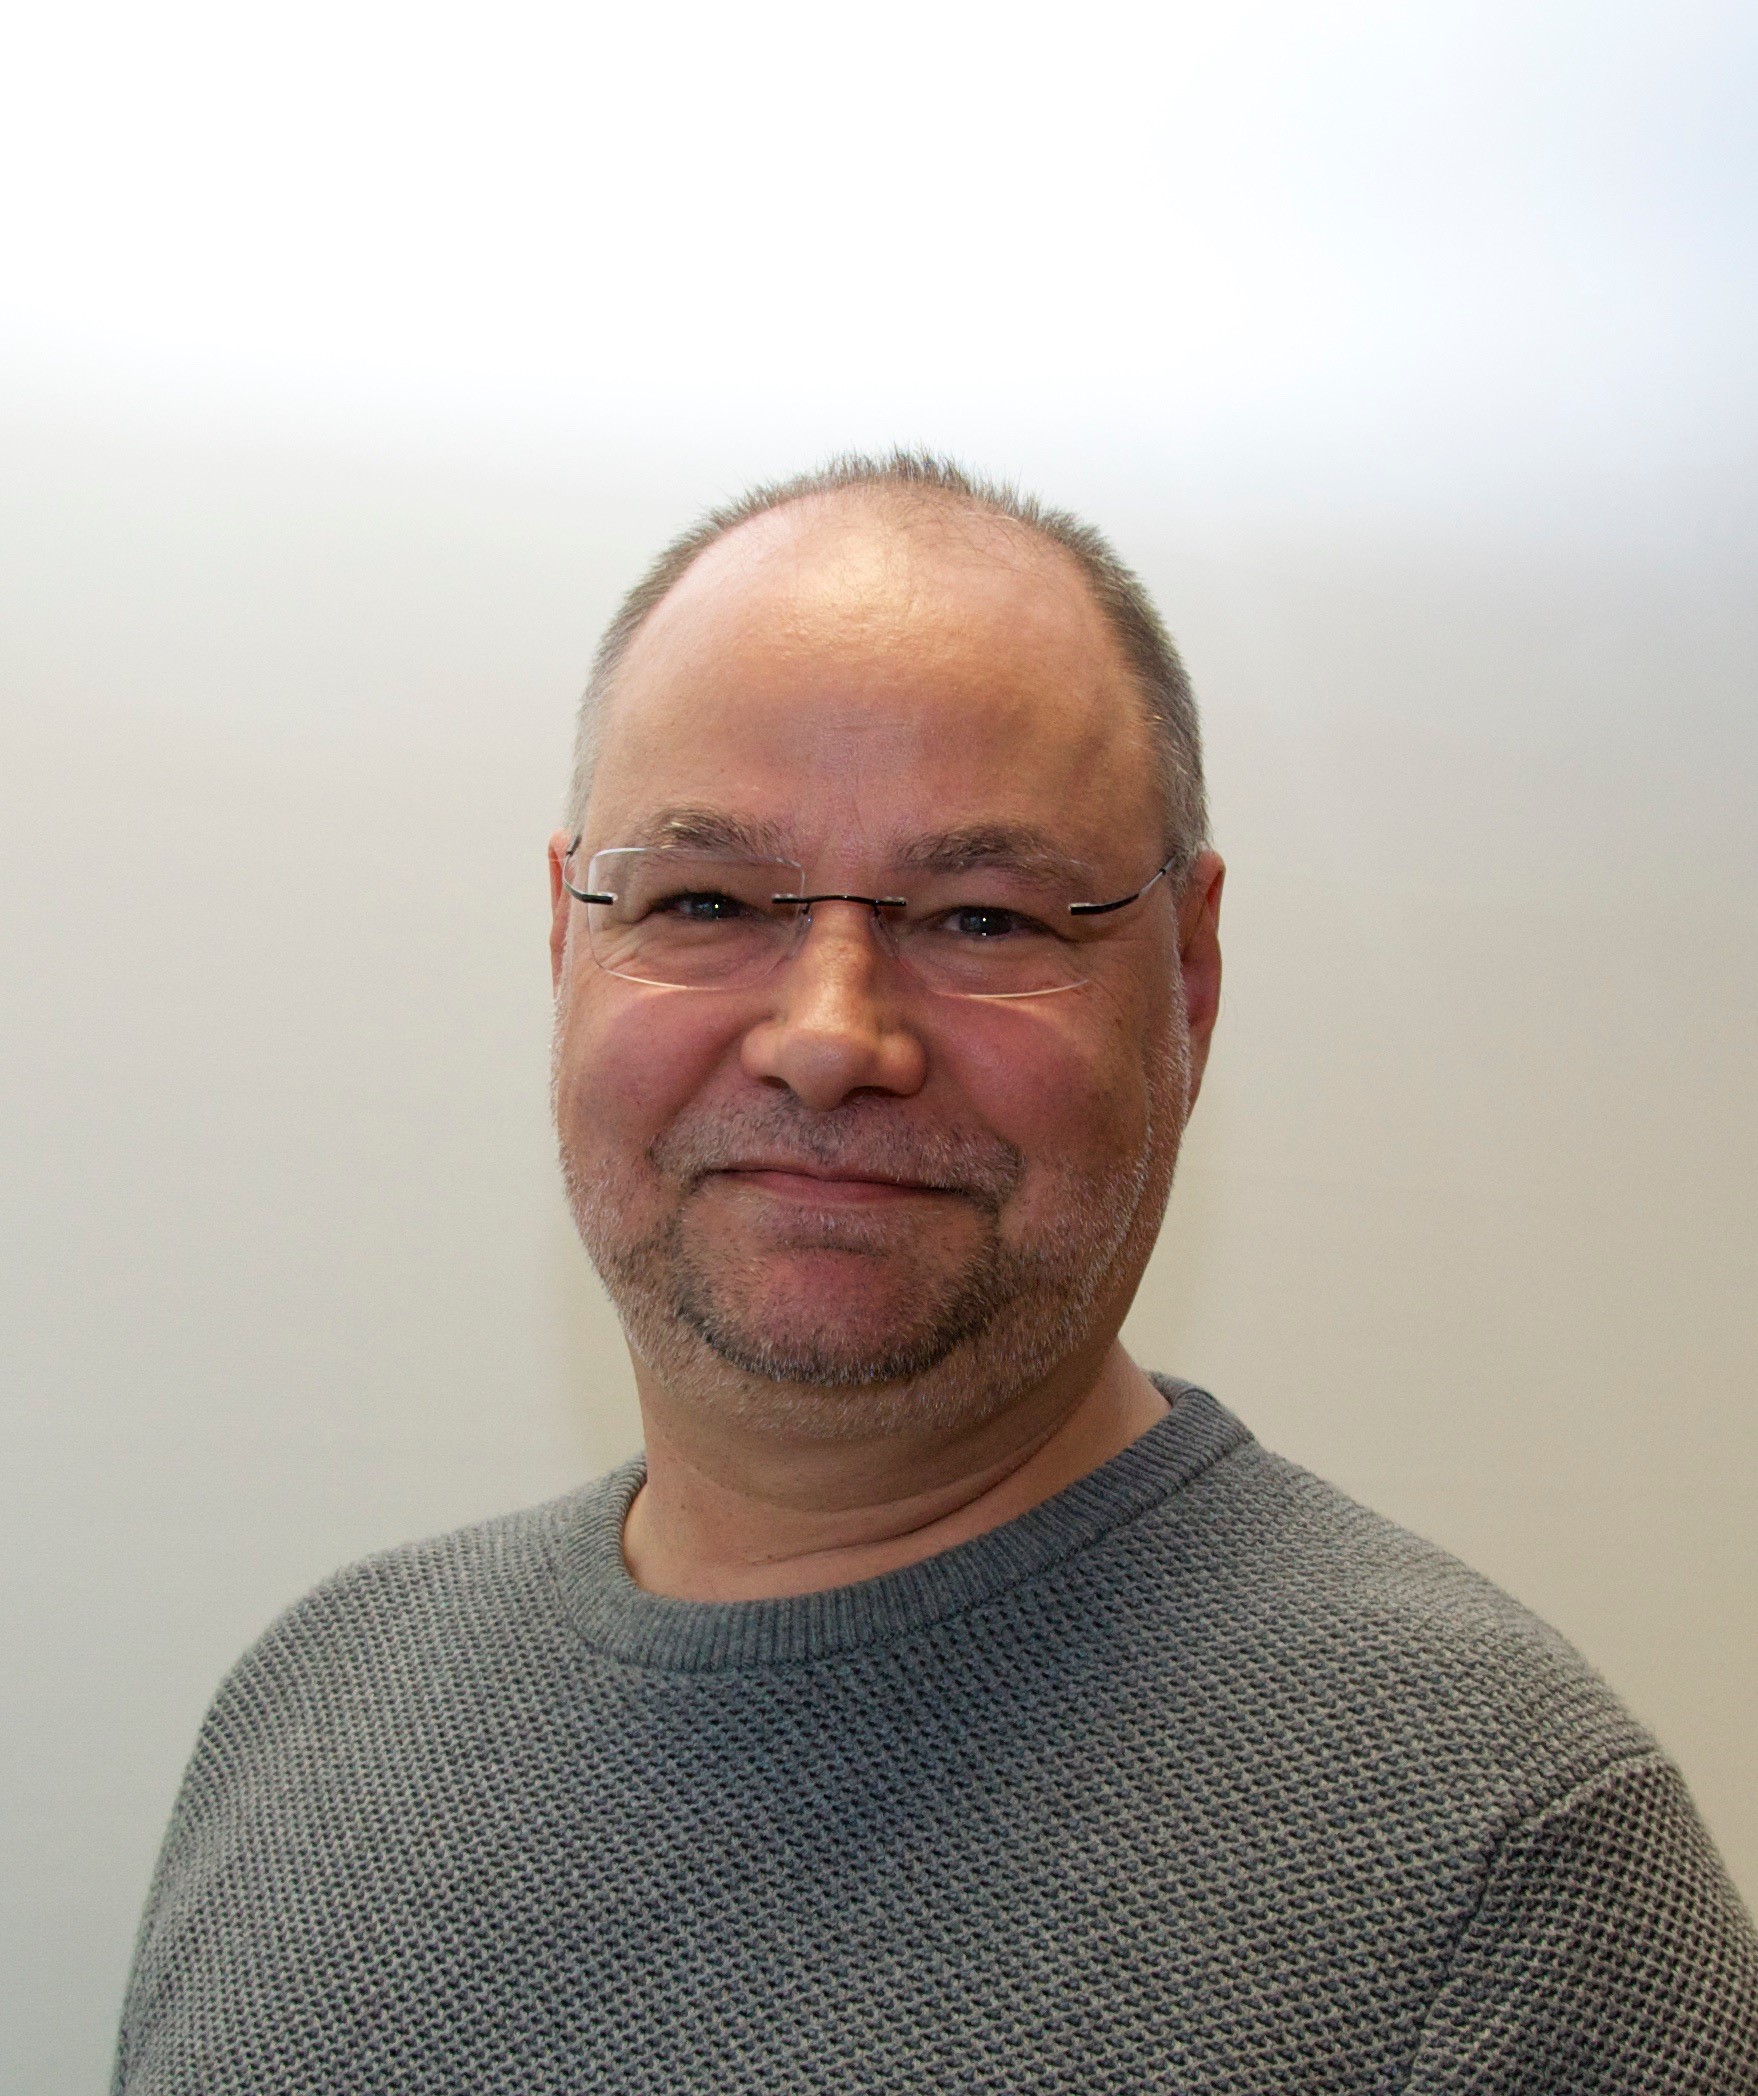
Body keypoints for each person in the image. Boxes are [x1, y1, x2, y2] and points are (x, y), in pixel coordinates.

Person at [114, 454, 1757, 2092]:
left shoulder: (1504, 1870)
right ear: (566, 938)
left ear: (1187, 973)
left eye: (981, 919)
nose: (829, 1038)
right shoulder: (314, 1716)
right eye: (704, 898)